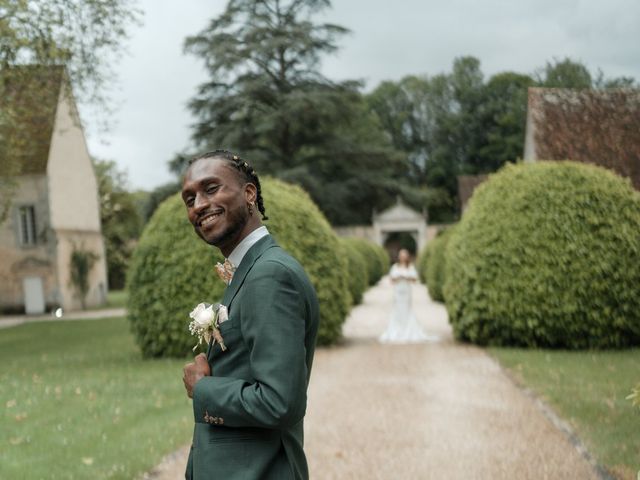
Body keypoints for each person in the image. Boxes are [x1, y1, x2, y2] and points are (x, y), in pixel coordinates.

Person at [181, 150, 319, 480]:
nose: (198, 205)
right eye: (190, 199)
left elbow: (279, 401)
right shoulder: (253, 270)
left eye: (211, 189)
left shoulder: (269, 274)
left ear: (249, 194)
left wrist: (202, 389)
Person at [379, 248, 435, 343]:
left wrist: (406, 277)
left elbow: (414, 280)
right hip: (398, 292)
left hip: (406, 292)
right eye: (401, 255)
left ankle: (408, 329)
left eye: (404, 255)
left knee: (407, 309)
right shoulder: (395, 267)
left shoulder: (410, 267)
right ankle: (397, 330)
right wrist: (398, 278)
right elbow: (391, 280)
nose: (403, 257)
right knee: (397, 310)